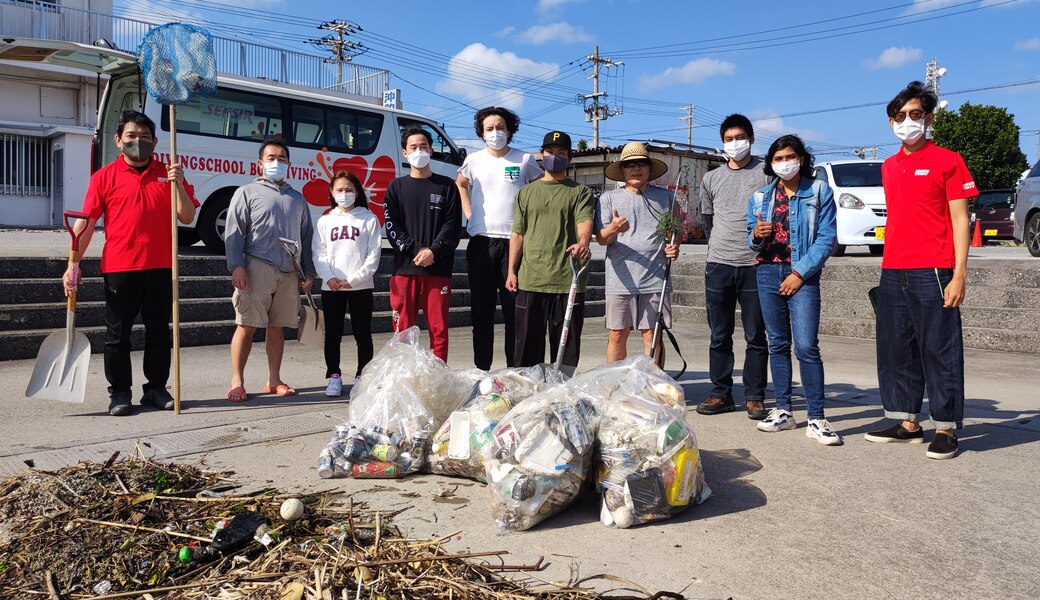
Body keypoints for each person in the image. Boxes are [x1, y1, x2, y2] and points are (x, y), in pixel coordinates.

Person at [864, 81, 976, 460]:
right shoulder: (889, 166)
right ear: (890, 122)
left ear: (928, 118)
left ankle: (945, 427)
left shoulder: (949, 160)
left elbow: (961, 220)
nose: (906, 122)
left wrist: (959, 273)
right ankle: (907, 422)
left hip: (934, 268)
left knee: (939, 349)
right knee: (897, 349)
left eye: (914, 115)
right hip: (894, 268)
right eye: (899, 117)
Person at [61, 110, 198, 416]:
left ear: (156, 141)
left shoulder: (168, 173)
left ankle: (156, 390)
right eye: (132, 136)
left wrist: (180, 183)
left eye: (145, 137)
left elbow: (187, 216)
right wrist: (74, 263)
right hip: (119, 268)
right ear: (118, 140)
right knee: (117, 335)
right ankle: (120, 393)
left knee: (160, 332)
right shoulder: (103, 177)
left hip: (162, 266)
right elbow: (86, 224)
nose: (139, 142)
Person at [746, 135, 840, 445]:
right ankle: (783, 410)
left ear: (801, 159)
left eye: (790, 156)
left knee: (806, 346)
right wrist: (757, 235)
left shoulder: (819, 191)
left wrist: (799, 274)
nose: (785, 163)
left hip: (803, 275)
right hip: (768, 272)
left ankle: (816, 417)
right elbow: (752, 240)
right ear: (771, 164)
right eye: (778, 158)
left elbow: (827, 239)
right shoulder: (760, 197)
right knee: (777, 343)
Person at [225, 139, 315, 402]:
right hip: (256, 267)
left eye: (282, 158)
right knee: (246, 325)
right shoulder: (246, 192)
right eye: (271, 157)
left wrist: (308, 273)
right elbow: (234, 232)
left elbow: (306, 237)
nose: (277, 162)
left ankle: (273, 379)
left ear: (289, 163)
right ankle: (237, 380)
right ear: (260, 163)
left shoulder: (297, 198)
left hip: (288, 272)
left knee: (277, 327)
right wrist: (237, 266)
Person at [456, 107, 542, 370]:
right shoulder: (474, 160)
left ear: (510, 130)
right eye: (490, 128)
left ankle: (514, 370)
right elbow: (460, 183)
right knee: (481, 313)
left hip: (514, 243)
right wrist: (469, 214)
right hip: (481, 243)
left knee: (513, 313)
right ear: (481, 134)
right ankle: (482, 370)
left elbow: (540, 187)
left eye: (500, 127)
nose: (495, 133)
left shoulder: (524, 159)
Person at [697, 114, 770, 420]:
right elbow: (707, 219)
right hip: (719, 264)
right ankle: (720, 393)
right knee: (719, 334)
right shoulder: (711, 178)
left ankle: (754, 396)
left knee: (756, 335)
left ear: (751, 139)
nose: (734, 144)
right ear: (722, 143)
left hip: (756, 264)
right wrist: (718, 246)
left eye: (740, 138)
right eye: (728, 139)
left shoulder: (767, 173)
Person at [506, 130, 593, 375]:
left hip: (568, 280)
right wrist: (511, 271)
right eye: (550, 152)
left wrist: (583, 242)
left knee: (566, 348)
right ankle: (527, 396)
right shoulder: (526, 192)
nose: (555, 157)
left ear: (569, 158)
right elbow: (518, 234)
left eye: (561, 153)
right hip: (531, 279)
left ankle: (560, 394)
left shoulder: (580, 192)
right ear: (541, 155)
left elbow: (584, 222)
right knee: (526, 347)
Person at [595, 142, 680, 366]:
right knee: (616, 334)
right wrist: (613, 228)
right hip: (620, 279)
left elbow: (676, 232)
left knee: (653, 335)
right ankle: (615, 386)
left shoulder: (667, 198)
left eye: (641, 163)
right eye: (629, 164)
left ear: (649, 169)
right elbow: (602, 238)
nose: (636, 168)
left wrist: (674, 246)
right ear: (622, 171)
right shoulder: (608, 199)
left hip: (656, 277)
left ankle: (653, 387)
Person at [384, 126, 461, 363]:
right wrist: (416, 249)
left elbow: (452, 226)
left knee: (438, 331)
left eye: (424, 147)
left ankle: (439, 380)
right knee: (403, 332)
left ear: (431, 150)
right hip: (405, 269)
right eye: (414, 147)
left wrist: (433, 251)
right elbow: (391, 225)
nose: (419, 151)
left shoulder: (447, 186)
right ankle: (403, 378)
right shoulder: (396, 187)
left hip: (438, 269)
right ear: (405, 153)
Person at [312, 170, 381, 397]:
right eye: (339, 190)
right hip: (331, 287)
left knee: (363, 333)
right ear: (331, 193)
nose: (344, 194)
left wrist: (354, 279)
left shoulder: (369, 219)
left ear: (357, 192)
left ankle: (363, 376)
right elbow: (318, 253)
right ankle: (334, 376)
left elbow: (373, 255)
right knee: (332, 334)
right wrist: (328, 277)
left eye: (349, 190)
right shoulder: (325, 221)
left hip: (360, 286)